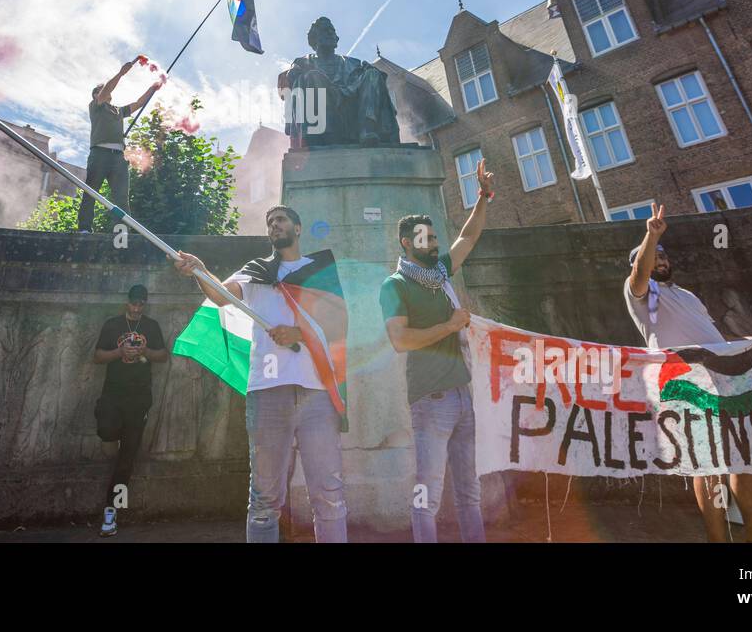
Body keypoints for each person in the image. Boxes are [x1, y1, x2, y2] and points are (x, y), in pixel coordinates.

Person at [174, 205, 348, 543]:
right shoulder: (255, 271)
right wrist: (199, 269)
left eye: (280, 220)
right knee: (265, 499)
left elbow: (339, 322)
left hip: (316, 393)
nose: (274, 226)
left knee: (329, 493)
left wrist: (298, 334)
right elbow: (220, 296)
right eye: (269, 222)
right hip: (268, 393)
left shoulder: (321, 269)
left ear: (298, 228)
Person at [625, 203, 752, 543]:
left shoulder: (688, 296)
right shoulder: (643, 295)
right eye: (654, 258)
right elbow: (639, 274)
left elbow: (714, 342)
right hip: (684, 385)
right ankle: (717, 540)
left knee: (745, 460)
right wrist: (651, 237)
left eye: (664, 256)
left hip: (724, 380)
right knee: (706, 464)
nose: (660, 261)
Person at [382, 161, 494, 543]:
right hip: (431, 401)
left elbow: (468, 237)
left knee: (470, 493)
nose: (432, 243)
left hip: (463, 396)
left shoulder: (441, 273)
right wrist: (449, 325)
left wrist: (483, 197)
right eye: (424, 238)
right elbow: (400, 340)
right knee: (425, 494)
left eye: (433, 237)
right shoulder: (394, 286)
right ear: (406, 243)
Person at [92, 284, 167, 537]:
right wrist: (118, 352)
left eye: (141, 304)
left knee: (128, 457)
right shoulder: (113, 324)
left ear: (145, 304)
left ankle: (110, 513)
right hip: (113, 394)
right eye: (133, 303)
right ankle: (110, 442)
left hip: (139, 398)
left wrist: (145, 351)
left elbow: (163, 355)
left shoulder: (151, 326)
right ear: (127, 302)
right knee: (107, 428)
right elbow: (97, 356)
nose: (136, 308)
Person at [77, 60, 156, 232]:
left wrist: (152, 89)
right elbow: (107, 90)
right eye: (100, 91)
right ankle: (84, 228)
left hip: (118, 158)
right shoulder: (96, 107)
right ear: (95, 95)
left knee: (121, 198)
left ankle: (122, 233)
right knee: (91, 192)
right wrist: (121, 73)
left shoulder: (118, 111)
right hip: (99, 154)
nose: (105, 92)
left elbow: (138, 103)